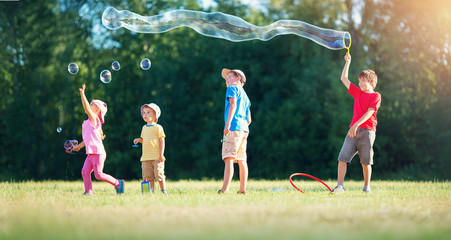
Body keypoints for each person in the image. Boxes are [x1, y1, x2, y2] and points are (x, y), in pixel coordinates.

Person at [331, 53, 381, 194]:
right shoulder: (358, 93)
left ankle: (366, 188)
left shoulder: (376, 96)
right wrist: (348, 62)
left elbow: (370, 112)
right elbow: (343, 78)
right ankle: (340, 186)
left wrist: (356, 124)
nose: (359, 83)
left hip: (367, 131)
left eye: (363, 81)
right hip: (353, 131)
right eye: (359, 81)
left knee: (366, 162)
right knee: (342, 158)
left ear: (371, 83)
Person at [73, 84, 124, 195]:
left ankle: (118, 183)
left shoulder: (94, 119)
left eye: (92, 104)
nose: (89, 105)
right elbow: (87, 139)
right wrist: (79, 147)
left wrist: (82, 94)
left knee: (98, 175)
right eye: (90, 104)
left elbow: (86, 109)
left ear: (98, 110)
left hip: (98, 153)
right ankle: (88, 192)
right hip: (91, 153)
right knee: (85, 172)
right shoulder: (86, 122)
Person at [218, 68, 252, 195]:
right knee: (242, 160)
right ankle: (242, 190)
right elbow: (249, 118)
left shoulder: (232, 89)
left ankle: (225, 189)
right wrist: (242, 125)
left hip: (233, 127)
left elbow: (233, 105)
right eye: (227, 77)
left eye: (230, 76)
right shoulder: (245, 95)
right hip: (243, 129)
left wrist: (227, 126)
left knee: (229, 158)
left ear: (238, 79)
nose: (227, 79)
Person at [133, 103, 167, 194]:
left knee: (159, 174)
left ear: (155, 115)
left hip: (157, 157)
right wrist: (139, 140)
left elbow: (161, 141)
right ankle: (150, 192)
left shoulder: (158, 127)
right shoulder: (144, 128)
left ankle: (163, 191)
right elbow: (145, 140)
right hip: (145, 157)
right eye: (144, 113)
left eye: (148, 112)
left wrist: (161, 154)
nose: (145, 114)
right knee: (148, 176)